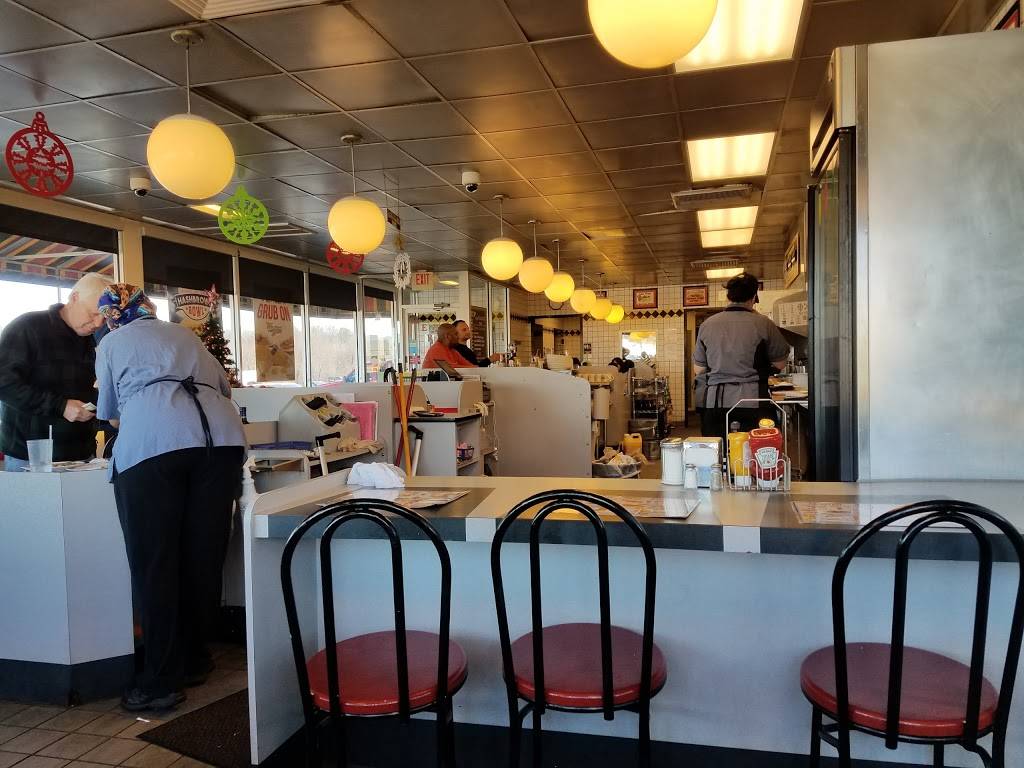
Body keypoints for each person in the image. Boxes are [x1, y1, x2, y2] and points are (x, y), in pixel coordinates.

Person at [94, 284, 246, 712]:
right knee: (202, 557)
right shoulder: (186, 335)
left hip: (154, 446)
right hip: (220, 443)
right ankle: (194, 658)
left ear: (112, 317)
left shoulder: (112, 343)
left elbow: (108, 410)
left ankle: (159, 681)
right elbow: (225, 389)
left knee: (155, 561)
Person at [0, 273, 111, 471]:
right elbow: (4, 384)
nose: (98, 323)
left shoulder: (97, 340)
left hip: (83, 456)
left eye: (105, 317)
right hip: (29, 458)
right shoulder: (27, 327)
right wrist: (61, 406)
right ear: (74, 298)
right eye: (93, 314)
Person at [693, 273, 791, 439]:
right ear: (753, 297)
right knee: (755, 449)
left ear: (728, 297)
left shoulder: (707, 325)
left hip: (715, 402)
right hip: (753, 400)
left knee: (718, 450)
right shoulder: (764, 323)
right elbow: (780, 363)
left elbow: (699, 369)